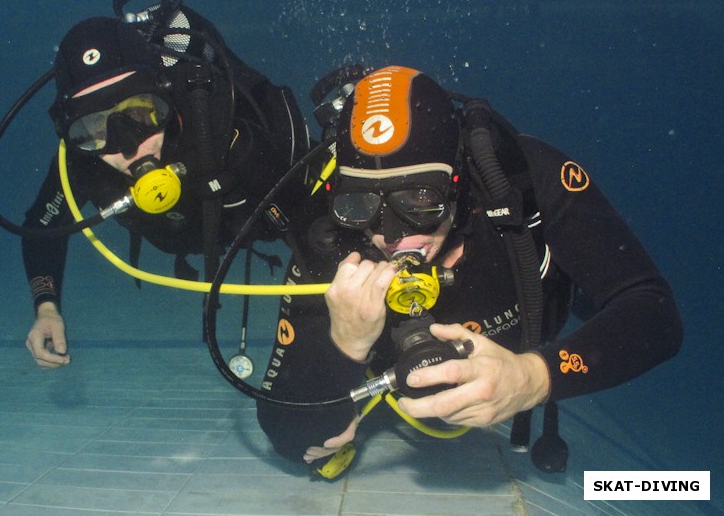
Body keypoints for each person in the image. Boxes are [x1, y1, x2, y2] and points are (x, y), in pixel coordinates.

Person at [256, 65, 682, 473]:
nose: (391, 236)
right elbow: (289, 436)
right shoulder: (332, 243)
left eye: (420, 198)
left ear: (458, 179)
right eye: (360, 202)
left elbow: (655, 315)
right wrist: (344, 346)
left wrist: (533, 376)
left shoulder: (525, 177)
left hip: (532, 313)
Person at [22, 0, 309, 369]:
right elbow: (42, 227)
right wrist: (46, 309)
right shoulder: (82, 161)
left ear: (166, 96)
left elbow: (312, 223)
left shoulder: (222, 132)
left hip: (253, 218)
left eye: (141, 114)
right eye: (94, 129)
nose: (128, 148)